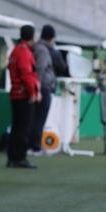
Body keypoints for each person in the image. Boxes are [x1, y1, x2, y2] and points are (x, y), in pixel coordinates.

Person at [29, 24, 69, 156]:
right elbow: (40, 69)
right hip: (43, 87)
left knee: (36, 118)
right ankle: (35, 147)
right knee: (39, 119)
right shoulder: (43, 50)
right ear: (52, 37)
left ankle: (33, 146)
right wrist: (38, 88)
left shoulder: (38, 48)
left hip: (40, 87)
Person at [6, 24, 41, 169]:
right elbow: (27, 75)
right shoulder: (24, 53)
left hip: (16, 94)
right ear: (32, 36)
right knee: (23, 128)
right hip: (23, 95)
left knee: (16, 127)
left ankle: (13, 157)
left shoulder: (15, 51)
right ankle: (20, 158)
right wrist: (33, 93)